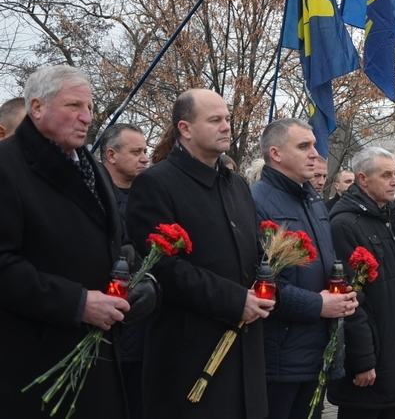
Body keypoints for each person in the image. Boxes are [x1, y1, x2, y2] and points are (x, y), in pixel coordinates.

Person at [0, 66, 154, 418]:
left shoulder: (90, 166)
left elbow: (112, 244)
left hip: (100, 361)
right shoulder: (7, 166)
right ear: (36, 107)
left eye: (90, 107)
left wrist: (143, 282)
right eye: (74, 106)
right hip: (37, 368)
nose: (87, 118)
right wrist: (78, 302)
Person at [127, 89, 274, 419]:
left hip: (245, 353)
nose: (226, 127)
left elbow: (253, 253)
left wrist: (266, 278)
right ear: (185, 128)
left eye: (227, 119)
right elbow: (162, 266)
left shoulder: (237, 185)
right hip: (188, 356)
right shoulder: (156, 183)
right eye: (215, 120)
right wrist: (234, 299)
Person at [250, 118, 357, 419]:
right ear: (276, 153)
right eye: (304, 146)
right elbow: (259, 283)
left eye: (314, 145)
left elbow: (324, 266)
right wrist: (318, 304)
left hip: (316, 350)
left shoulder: (313, 202)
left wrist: (344, 293)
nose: (315, 153)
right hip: (279, 356)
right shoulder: (257, 202)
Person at [327, 147, 395, 418]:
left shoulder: (391, 217)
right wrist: (362, 360)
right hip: (371, 364)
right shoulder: (345, 224)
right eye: (386, 175)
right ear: (363, 179)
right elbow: (352, 300)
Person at [100, 122, 150, 419]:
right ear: (111, 155)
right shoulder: (92, 197)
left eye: (145, 150)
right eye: (136, 151)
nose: (145, 157)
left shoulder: (150, 196)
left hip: (146, 329)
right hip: (109, 326)